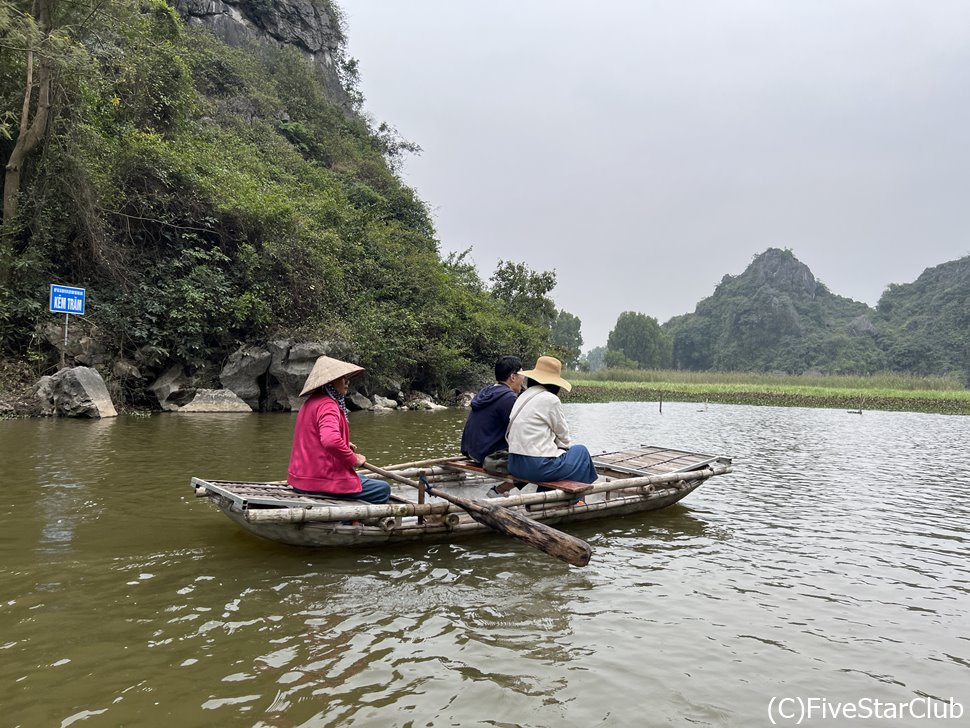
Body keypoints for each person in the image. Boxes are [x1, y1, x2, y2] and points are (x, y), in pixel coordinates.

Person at [288, 355, 391, 504]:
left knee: (363, 479)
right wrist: (353, 459)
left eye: (347, 377)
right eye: (342, 378)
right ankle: (348, 520)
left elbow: (313, 438)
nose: (347, 381)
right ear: (329, 382)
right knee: (383, 489)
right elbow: (330, 441)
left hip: (301, 478)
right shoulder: (328, 405)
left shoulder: (310, 403)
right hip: (319, 481)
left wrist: (345, 444)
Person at [506, 355, 597, 487]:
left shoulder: (522, 396)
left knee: (556, 460)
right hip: (535, 466)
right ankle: (574, 499)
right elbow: (565, 439)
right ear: (554, 383)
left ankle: (546, 497)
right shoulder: (550, 399)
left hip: (514, 463)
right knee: (581, 452)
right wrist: (558, 448)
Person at [460, 355, 524, 464]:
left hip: (471, 450)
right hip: (487, 455)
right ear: (513, 377)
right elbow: (519, 431)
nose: (523, 379)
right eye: (522, 375)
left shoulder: (487, 391)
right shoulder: (508, 398)